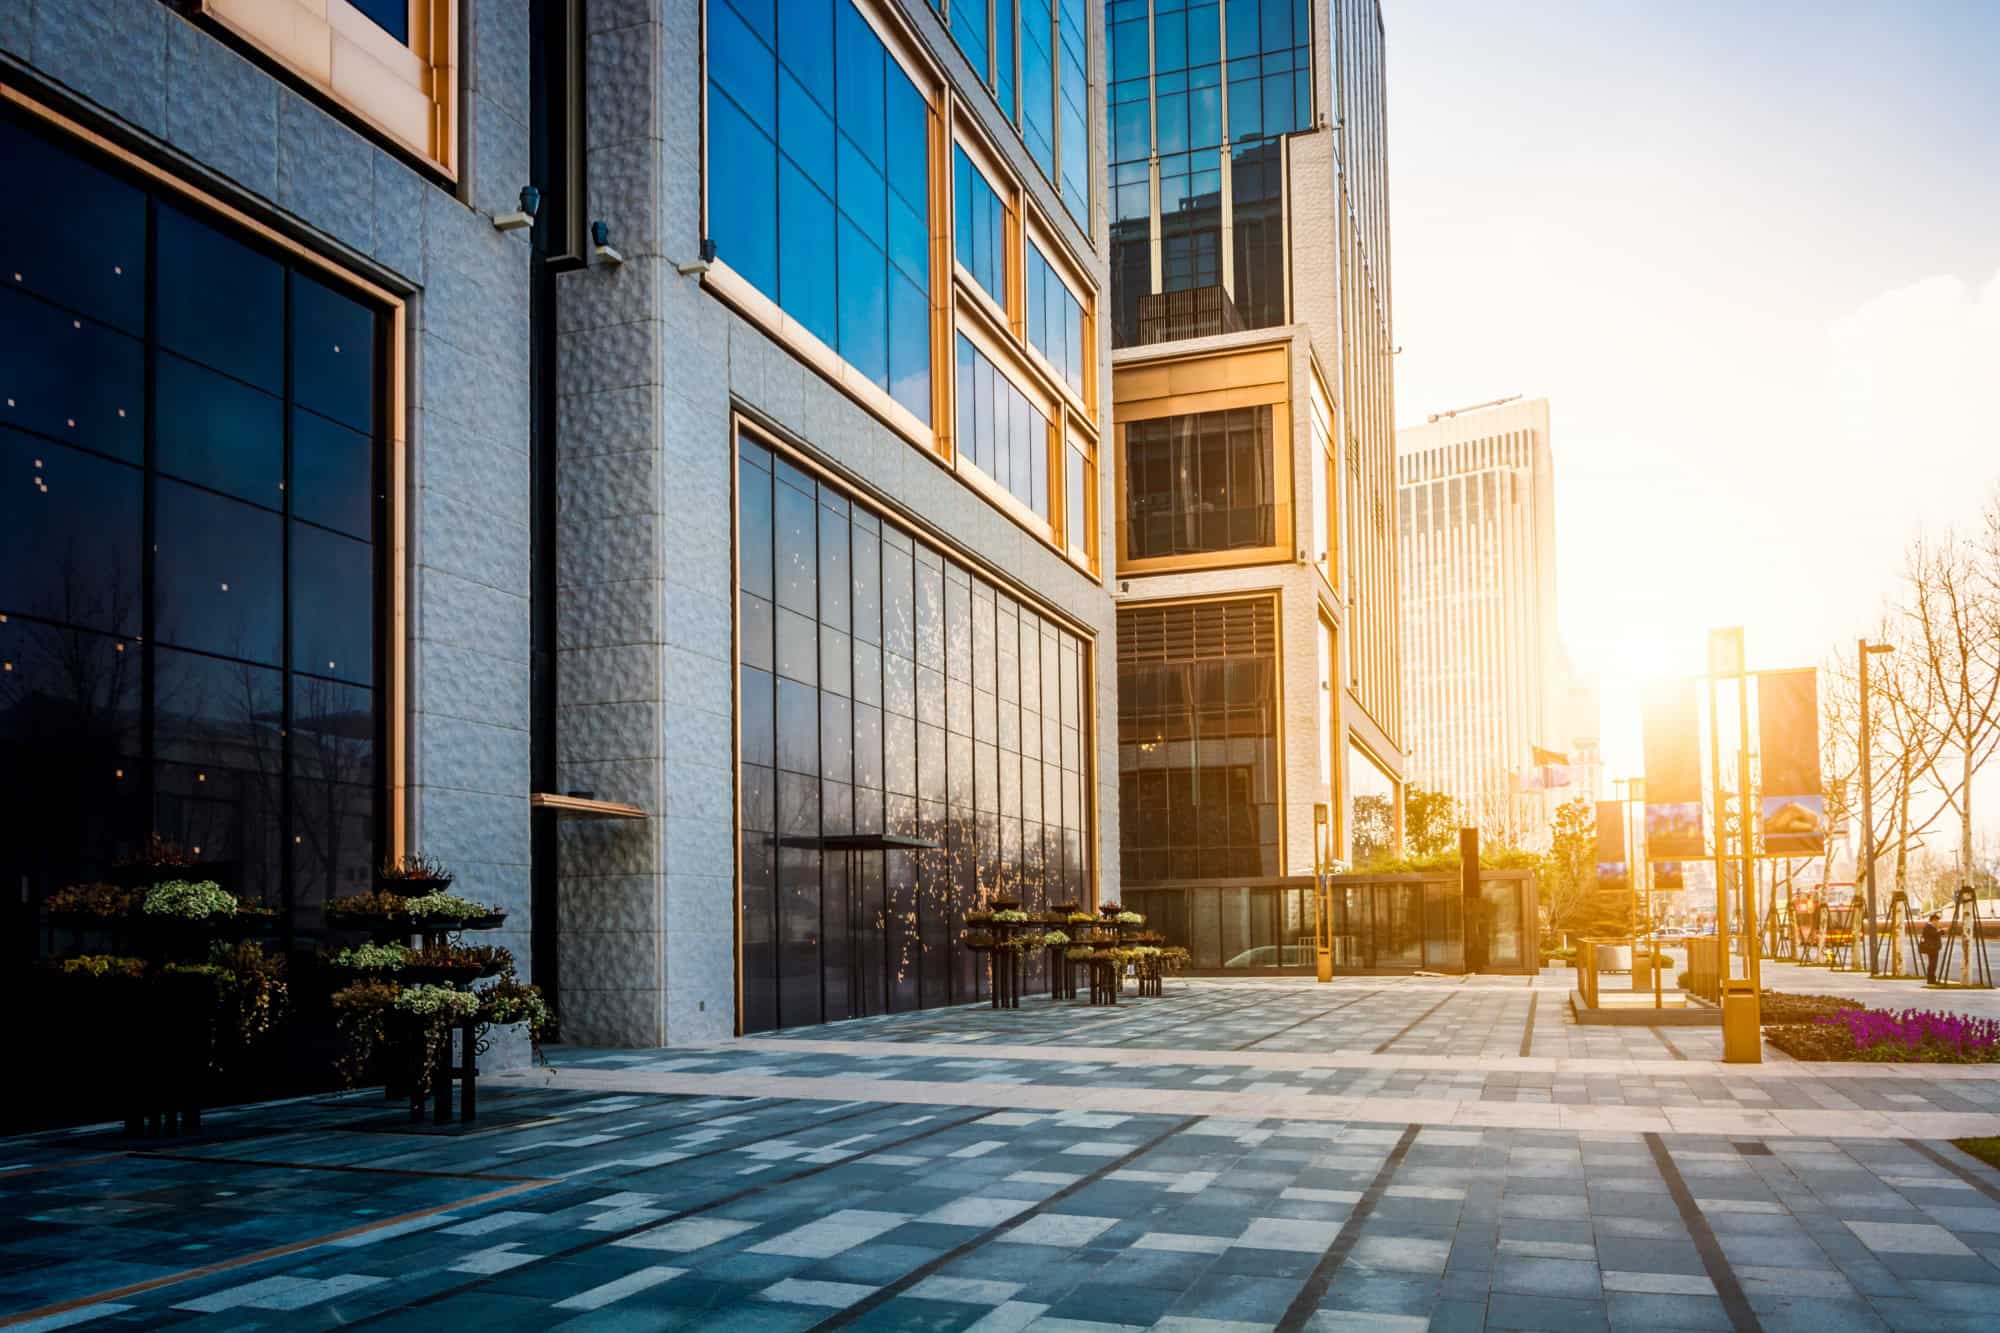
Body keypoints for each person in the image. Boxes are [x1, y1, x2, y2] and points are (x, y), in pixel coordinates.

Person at [1921, 913, 1943, 984]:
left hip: (1932, 948)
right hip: (1932, 948)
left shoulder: (1930, 927)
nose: (1938, 922)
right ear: (1933, 920)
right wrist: (1942, 931)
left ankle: (1931, 979)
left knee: (1932, 964)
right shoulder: (1929, 927)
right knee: (1932, 964)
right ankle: (1931, 979)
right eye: (1937, 921)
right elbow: (1934, 935)